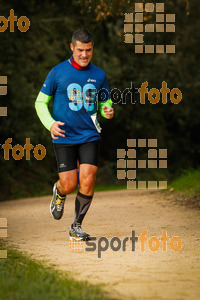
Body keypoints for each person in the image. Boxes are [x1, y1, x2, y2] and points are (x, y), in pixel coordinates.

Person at [35, 29, 114, 241]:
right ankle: (59, 192)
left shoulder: (99, 75)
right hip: (64, 135)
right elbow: (40, 102)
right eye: (80, 50)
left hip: (89, 134)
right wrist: (50, 123)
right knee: (69, 184)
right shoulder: (57, 72)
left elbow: (105, 100)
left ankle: (76, 226)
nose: (84, 54)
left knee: (88, 178)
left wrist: (107, 109)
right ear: (72, 47)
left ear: (93, 48)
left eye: (88, 50)